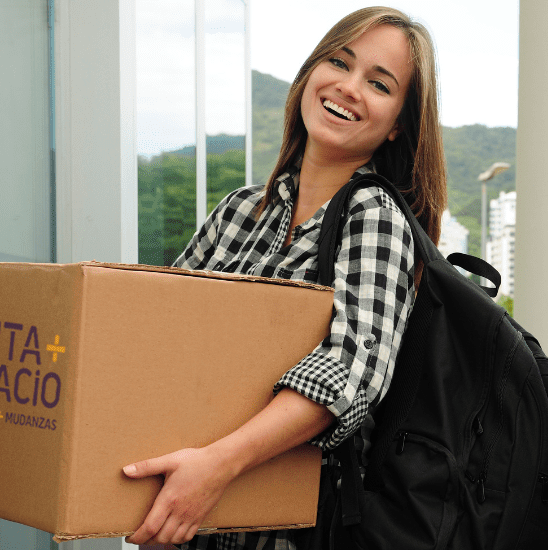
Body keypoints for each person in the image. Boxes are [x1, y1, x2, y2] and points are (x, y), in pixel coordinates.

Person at [121, 6, 445, 548]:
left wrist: (216, 467)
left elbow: (349, 373)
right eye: (339, 61)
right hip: (190, 516)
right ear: (309, 75)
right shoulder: (240, 211)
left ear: (398, 127)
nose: (348, 87)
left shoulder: (376, 216)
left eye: (379, 84)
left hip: (288, 532)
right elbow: (162, 337)